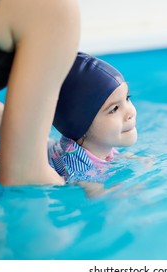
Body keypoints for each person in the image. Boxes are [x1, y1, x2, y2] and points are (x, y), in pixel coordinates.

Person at [0, 0, 80, 188]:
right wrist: (75, 186)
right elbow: (23, 176)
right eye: (114, 108)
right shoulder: (53, 10)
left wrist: (39, 143)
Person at [48, 52, 138, 187]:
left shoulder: (97, 141)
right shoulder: (80, 169)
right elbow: (99, 198)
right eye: (114, 109)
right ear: (82, 126)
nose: (130, 112)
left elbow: (107, 156)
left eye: (127, 98)